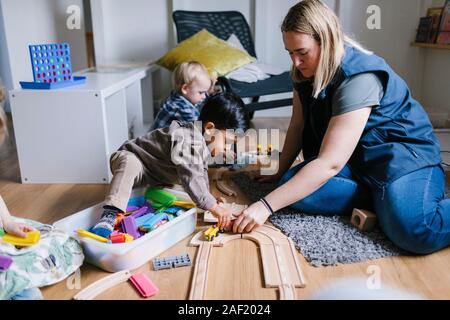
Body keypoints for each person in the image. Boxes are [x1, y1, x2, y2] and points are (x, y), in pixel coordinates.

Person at [233, 0, 449, 255]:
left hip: (399, 158)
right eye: (290, 53)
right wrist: (279, 168)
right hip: (357, 161)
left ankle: (392, 200)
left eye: (302, 52)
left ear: (326, 41)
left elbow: (330, 163)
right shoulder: (302, 71)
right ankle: (383, 200)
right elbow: (298, 125)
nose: (295, 61)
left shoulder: (358, 78)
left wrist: (264, 207)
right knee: (290, 184)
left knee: (414, 231)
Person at [91, 92, 249, 238]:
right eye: (227, 142)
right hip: (134, 160)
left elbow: (199, 172)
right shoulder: (188, 140)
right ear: (209, 129)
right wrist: (215, 207)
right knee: (130, 164)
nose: (227, 148)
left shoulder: (201, 142)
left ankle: (148, 195)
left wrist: (211, 200)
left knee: (184, 194)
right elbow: (193, 179)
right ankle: (110, 214)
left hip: (156, 175)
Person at [151, 61, 215, 130]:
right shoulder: (181, 108)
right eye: (201, 92)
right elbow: (199, 130)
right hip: (161, 140)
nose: (204, 96)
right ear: (185, 89)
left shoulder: (177, 96)